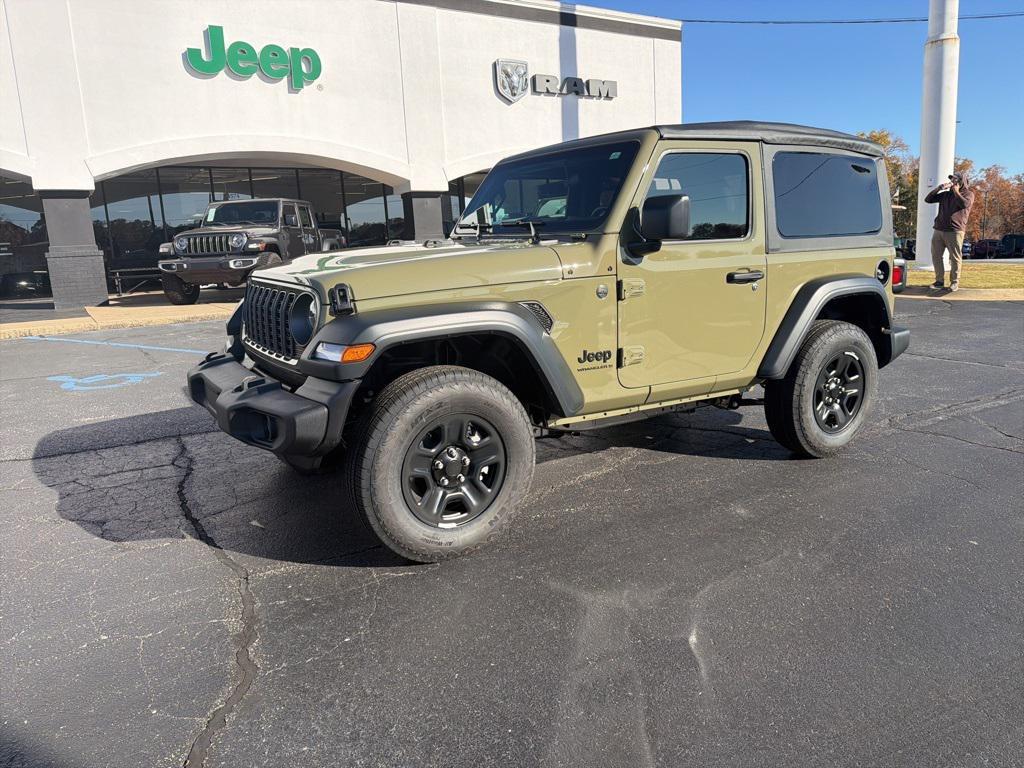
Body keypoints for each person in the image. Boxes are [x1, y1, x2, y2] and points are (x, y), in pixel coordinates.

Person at [924, 172, 975, 292]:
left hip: (955, 231)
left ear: (962, 181)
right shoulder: (946, 195)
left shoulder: (969, 194)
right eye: (952, 179)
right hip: (939, 229)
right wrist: (939, 188)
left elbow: (964, 204)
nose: (953, 181)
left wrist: (956, 192)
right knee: (936, 256)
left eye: (956, 179)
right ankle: (939, 281)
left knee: (955, 258)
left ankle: (954, 282)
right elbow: (928, 199)